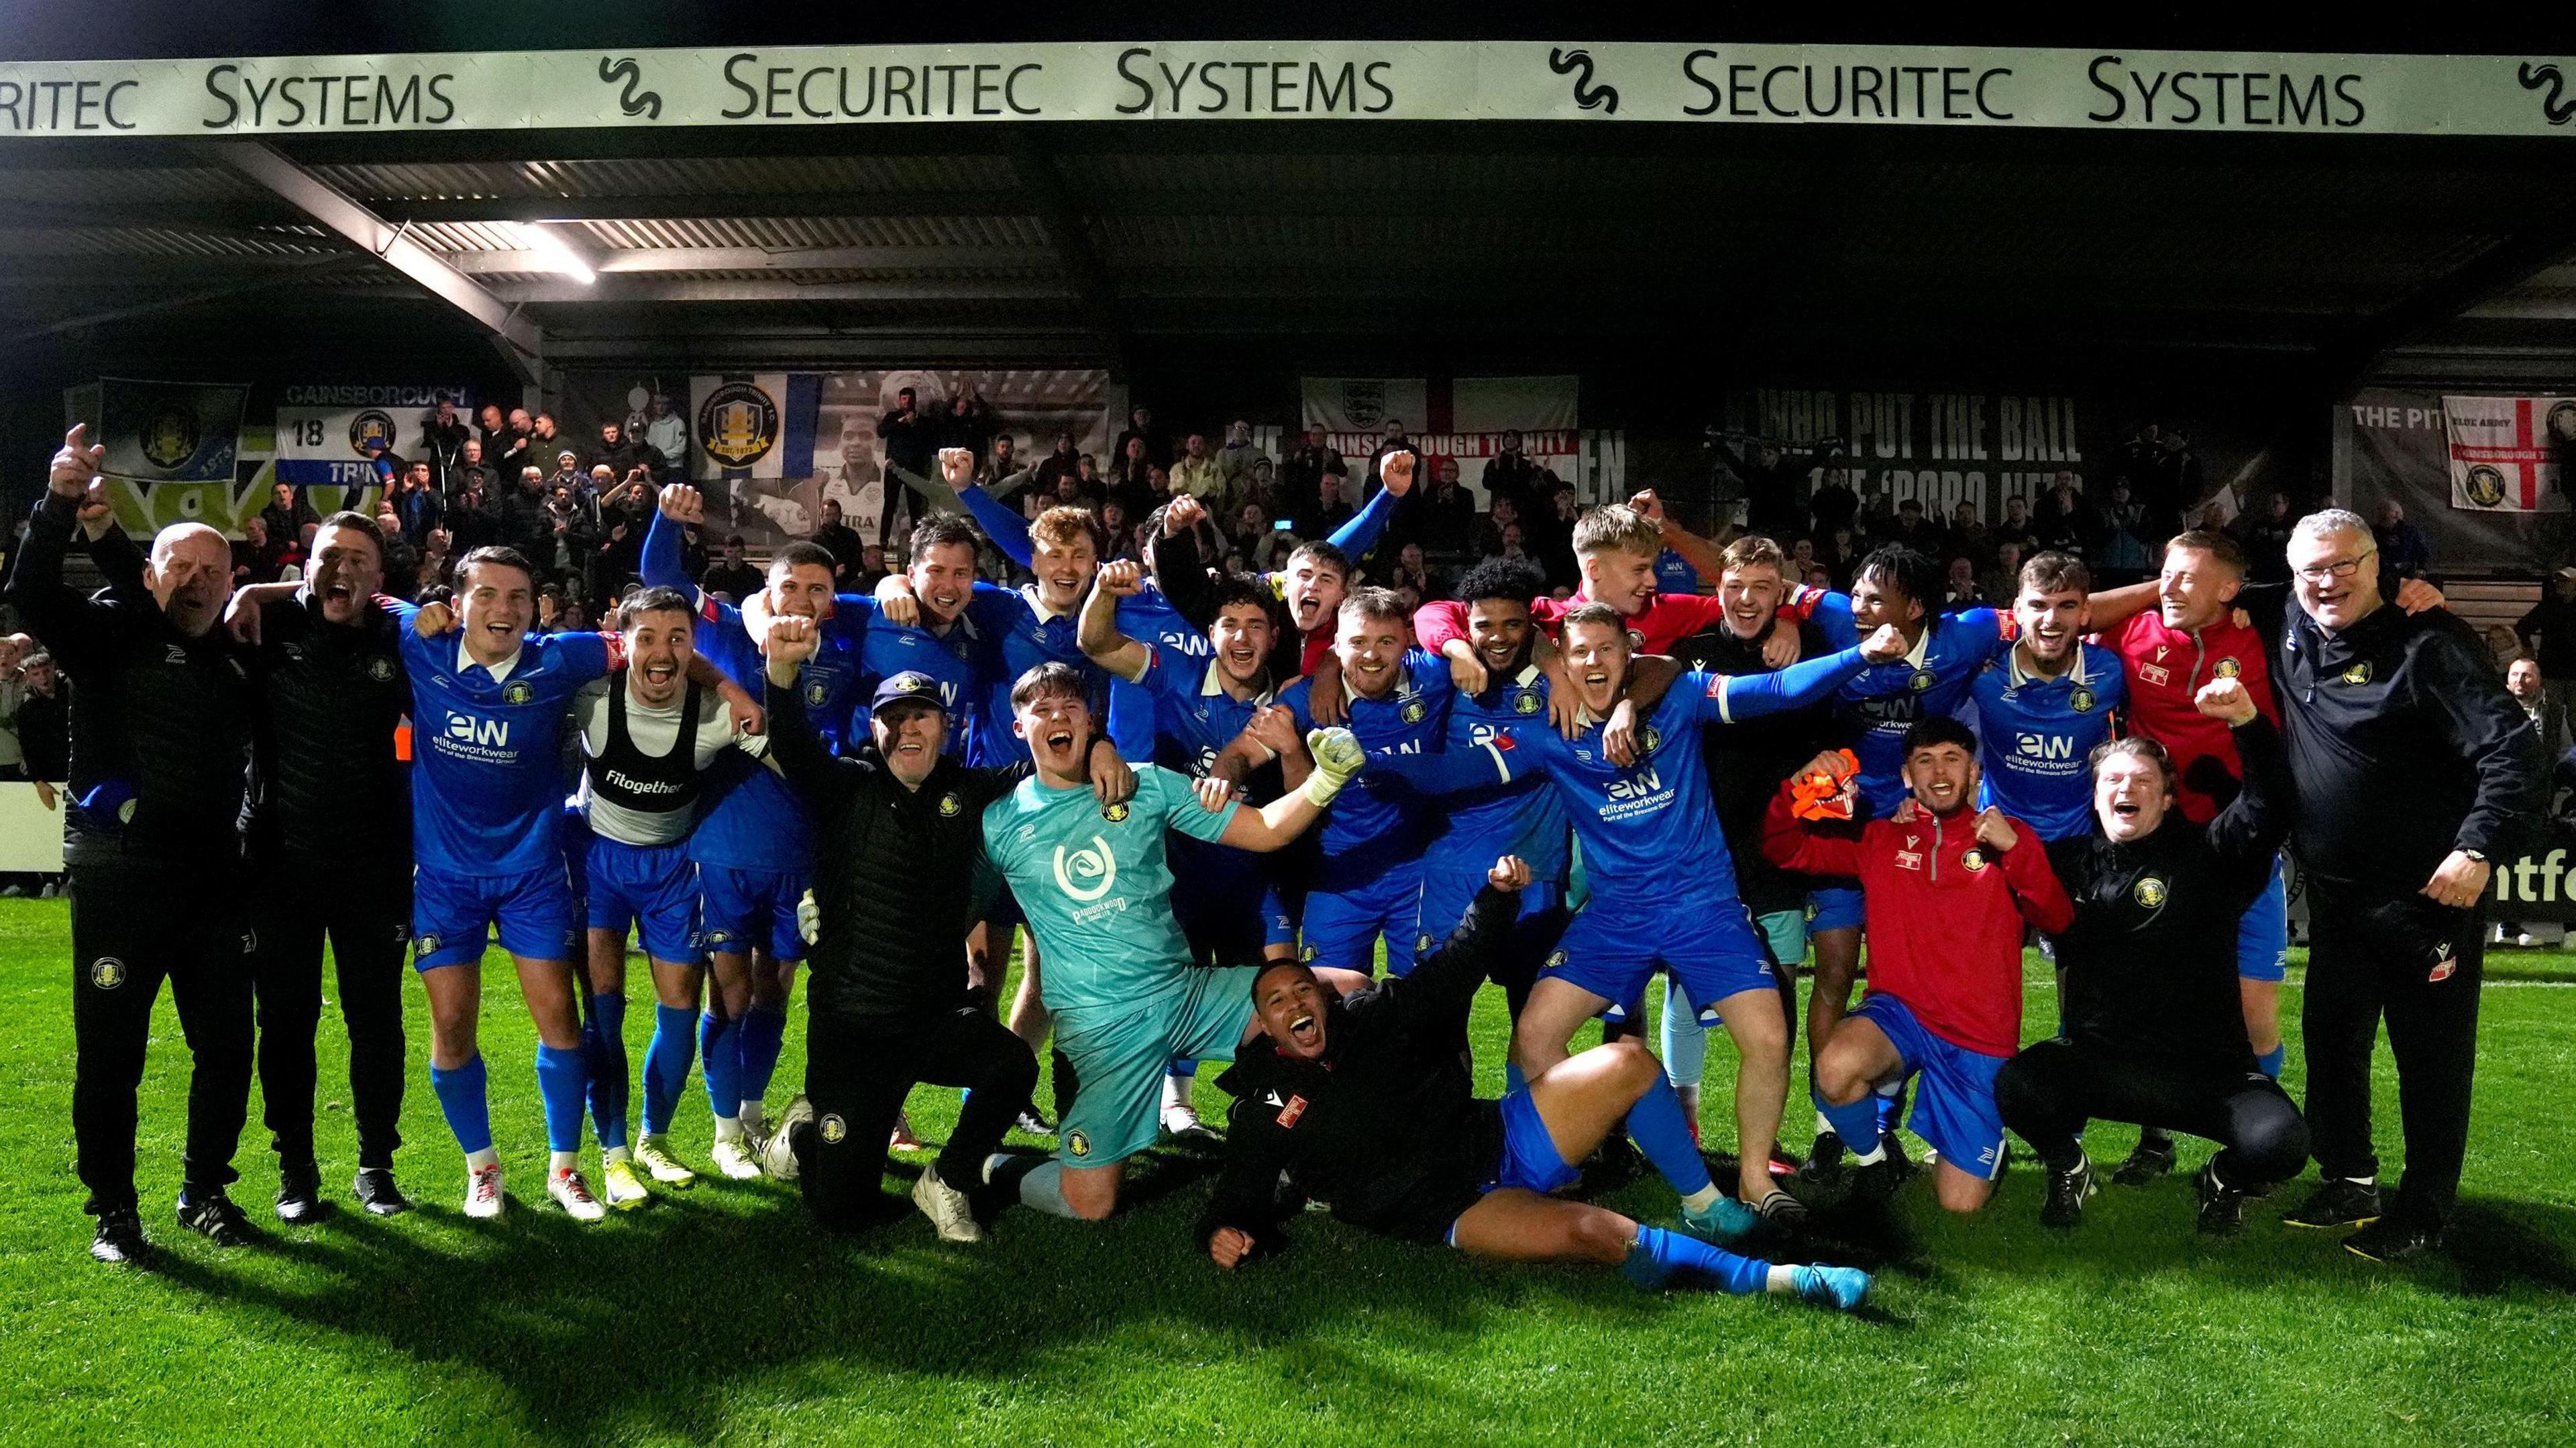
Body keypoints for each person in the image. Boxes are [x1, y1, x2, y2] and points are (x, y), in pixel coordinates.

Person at [1198, 858, 1870, 1312]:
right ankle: (1787, 1282)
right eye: (1277, 1000)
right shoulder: (1264, 1104)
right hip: (1449, 1207)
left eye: (1301, 989)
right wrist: (1222, 1229)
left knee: (1630, 1060)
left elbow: (1455, 965)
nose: (1294, 1003)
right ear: (1266, 1023)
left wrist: (1496, 897)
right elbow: (1239, 1188)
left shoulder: (1374, 1017)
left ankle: (1701, 1201)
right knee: (1595, 1232)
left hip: (1495, 1137)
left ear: (1323, 995)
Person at [1497, 603, 1905, 1224]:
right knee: (1534, 1034)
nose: (1592, 662)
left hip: (1704, 908)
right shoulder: (1547, 729)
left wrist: (1859, 655)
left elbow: (1770, 689)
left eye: (1606, 649)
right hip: (1618, 915)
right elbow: (1460, 762)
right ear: (1562, 659)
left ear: (1629, 654)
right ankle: (1549, 1166)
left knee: (1768, 1038)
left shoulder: (1681, 695)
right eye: (1578, 652)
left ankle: (1753, 1182)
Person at [390, 546, 749, 1222]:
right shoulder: (419, 640)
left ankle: (567, 1168)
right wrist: (255, 596)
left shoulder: (563, 659)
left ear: (538, 607)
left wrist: (728, 689)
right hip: (444, 876)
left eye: (518, 597)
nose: (503, 609)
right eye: (487, 595)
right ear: (457, 600)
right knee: (450, 1022)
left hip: (533, 871)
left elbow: (663, 642)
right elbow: (361, 595)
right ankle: (483, 1170)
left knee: (560, 1019)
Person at [2241, 510, 2543, 1259]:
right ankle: (2349, 1178)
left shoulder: (2428, 647)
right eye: (2312, 568)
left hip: (2428, 898)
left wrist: (2477, 848)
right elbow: (2202, 581)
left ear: (2380, 567)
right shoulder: (2289, 615)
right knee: (2334, 1044)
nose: (2327, 580)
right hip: (2340, 897)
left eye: (2345, 564)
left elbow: (2512, 749)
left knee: (2430, 1057)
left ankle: (2426, 1206)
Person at [974, 664, 1371, 1222]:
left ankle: (1315, 1148)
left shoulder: (1147, 784)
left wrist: (1323, 781)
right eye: (1042, 711)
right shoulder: (999, 821)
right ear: (1020, 728)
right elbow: (950, 897)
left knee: (1348, 992)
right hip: (1101, 1027)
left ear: (1092, 721)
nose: (1057, 718)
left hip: (1186, 997)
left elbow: (1264, 830)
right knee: (1089, 1204)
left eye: (1070, 708)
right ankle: (997, 1167)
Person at [755, 652, 1120, 1239]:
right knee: (843, 1214)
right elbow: (793, 742)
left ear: (946, 727)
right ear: (874, 729)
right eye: (892, 717)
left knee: (1012, 1064)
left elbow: (1051, 760)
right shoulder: (846, 786)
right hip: (855, 1030)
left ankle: (947, 1179)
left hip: (931, 1020)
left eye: (922, 716)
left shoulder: (970, 791)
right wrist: (781, 672)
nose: (907, 728)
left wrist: (1098, 744)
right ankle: (803, 1130)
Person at [8, 426, 259, 1263]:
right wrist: (58, 499)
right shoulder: (108, 638)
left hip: (213, 882)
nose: (193, 579)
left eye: (210, 569)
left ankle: (204, 1191)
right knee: (111, 1056)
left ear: (230, 583)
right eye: (177, 565)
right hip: (122, 878)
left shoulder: (233, 659)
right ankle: (115, 1209)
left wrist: (284, 584)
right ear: (151, 574)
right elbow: (33, 594)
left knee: (227, 1045)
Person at [2001, 679, 2311, 1236]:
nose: (2127, 788)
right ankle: (2070, 1166)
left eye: (2143, 780)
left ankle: (2223, 1178)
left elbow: (2272, 803)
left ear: (2167, 799)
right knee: (2018, 1085)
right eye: (2113, 780)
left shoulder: (2212, 854)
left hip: (2208, 1073)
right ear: (2095, 798)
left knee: (2282, 1146)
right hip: (2104, 1063)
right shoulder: (2068, 861)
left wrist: (2246, 720)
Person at [1762, 717, 2076, 1212]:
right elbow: (1786, 850)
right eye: (1925, 762)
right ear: (1908, 776)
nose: (1939, 772)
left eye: (1952, 759)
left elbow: (2057, 917)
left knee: (1960, 1204)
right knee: (1836, 1066)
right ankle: (1875, 1162)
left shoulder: (2011, 837)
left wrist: (2016, 854)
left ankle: (1988, 1149)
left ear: (1974, 772)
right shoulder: (1883, 840)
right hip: (1900, 1016)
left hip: (1978, 1035)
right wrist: (1795, 789)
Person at [642, 489, 865, 1172]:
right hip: (723, 846)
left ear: (833, 597)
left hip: (804, 854)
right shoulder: (725, 631)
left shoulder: (847, 647)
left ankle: (752, 1110)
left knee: (776, 989)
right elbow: (662, 582)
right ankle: (721, 1132)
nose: (802, 597)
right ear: (766, 587)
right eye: (789, 584)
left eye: (817, 589)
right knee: (728, 994)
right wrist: (664, 519)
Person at [207, 514, 417, 1223]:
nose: (343, 569)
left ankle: (375, 1164)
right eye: (331, 555)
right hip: (278, 864)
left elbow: (429, 624)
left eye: (361, 560)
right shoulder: (268, 629)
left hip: (373, 866)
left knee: (376, 1022)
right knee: (287, 1022)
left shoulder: (397, 638)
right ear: (307, 564)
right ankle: (296, 1169)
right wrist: (256, 592)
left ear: (380, 580)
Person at [568, 586, 771, 1206]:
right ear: (621, 641)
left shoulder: (717, 717)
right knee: (604, 1014)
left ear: (693, 645)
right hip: (599, 865)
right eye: (647, 638)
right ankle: (613, 1154)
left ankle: (654, 1139)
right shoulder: (591, 704)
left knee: (679, 1013)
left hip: (673, 873)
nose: (662, 652)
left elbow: (789, 767)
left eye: (677, 638)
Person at [2514, 566, 2576, 753]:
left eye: (2564, 581)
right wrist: (2528, 648)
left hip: (2564, 671)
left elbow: (2523, 626)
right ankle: (2550, 762)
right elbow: (2523, 627)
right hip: (2553, 671)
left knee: (2569, 719)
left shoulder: (2549, 606)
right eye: (2558, 581)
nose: (2559, 585)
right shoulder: (2549, 606)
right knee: (2551, 719)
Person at [879, 386, 935, 548]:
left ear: (915, 400)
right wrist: (900, 422)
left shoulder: (923, 421)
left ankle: (918, 542)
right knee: (889, 504)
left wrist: (914, 424)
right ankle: (883, 541)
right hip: (893, 468)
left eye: (910, 399)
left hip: (914, 470)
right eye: (904, 399)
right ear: (899, 400)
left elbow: (929, 439)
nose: (907, 402)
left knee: (915, 507)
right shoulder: (892, 417)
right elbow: (881, 432)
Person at [812, 501, 864, 590]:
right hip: (825, 585)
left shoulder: (851, 535)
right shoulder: (815, 540)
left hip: (850, 584)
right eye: (828, 515)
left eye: (835, 515)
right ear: (822, 516)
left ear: (840, 515)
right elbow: (813, 565)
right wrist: (833, 573)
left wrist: (846, 569)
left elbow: (859, 559)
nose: (832, 518)